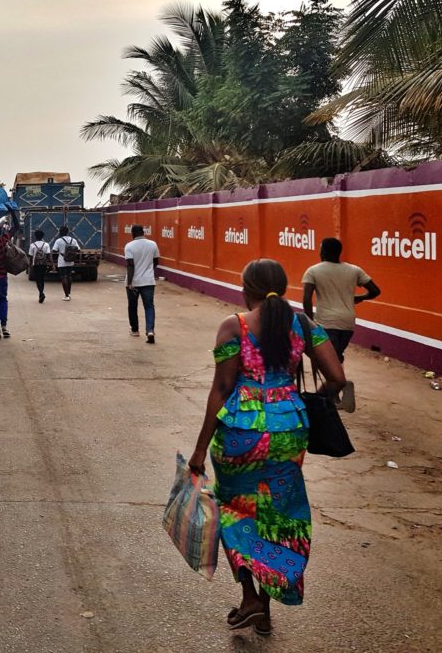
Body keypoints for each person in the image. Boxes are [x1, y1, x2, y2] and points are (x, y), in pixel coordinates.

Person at [188, 259, 345, 637]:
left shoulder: (234, 327)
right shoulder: (303, 325)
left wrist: (199, 450)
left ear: (247, 289)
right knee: (278, 514)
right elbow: (338, 378)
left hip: (241, 433)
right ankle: (266, 605)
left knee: (235, 512)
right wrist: (303, 403)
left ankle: (250, 599)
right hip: (290, 429)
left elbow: (221, 389)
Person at [302, 237, 380, 413]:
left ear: (322, 252)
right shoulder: (354, 270)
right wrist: (360, 298)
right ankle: (335, 392)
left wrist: (308, 321)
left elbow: (307, 298)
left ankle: (334, 391)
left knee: (324, 358)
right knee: (335, 355)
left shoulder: (313, 271)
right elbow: (375, 290)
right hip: (347, 323)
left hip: (325, 322)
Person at [124, 224, 160, 343]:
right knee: (149, 306)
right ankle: (150, 330)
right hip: (148, 281)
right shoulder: (153, 244)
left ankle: (135, 330)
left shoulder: (129, 246)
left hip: (133, 282)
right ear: (143, 232)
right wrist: (148, 270)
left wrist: (130, 282)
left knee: (133, 306)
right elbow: (156, 261)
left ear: (132, 233)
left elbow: (130, 265)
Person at [53, 225, 80, 301]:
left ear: (61, 232)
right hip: (71, 261)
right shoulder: (73, 240)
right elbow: (78, 249)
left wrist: (60, 252)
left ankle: (66, 295)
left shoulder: (58, 241)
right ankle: (69, 291)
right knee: (69, 276)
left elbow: (54, 250)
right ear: (67, 232)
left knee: (63, 277)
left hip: (62, 261)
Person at [28, 229, 51, 303]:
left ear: (35, 236)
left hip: (36, 265)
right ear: (42, 236)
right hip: (44, 265)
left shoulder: (32, 245)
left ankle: (41, 293)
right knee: (42, 279)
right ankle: (41, 294)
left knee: (38, 280)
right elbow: (48, 255)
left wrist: (30, 265)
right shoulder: (46, 244)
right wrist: (52, 264)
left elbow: (31, 256)